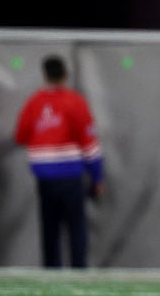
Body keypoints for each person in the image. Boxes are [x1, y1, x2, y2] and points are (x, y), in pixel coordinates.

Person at [14, 55, 105, 268]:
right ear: (65, 75)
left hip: (44, 176)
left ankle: (51, 272)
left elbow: (20, 136)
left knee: (49, 229)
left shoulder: (35, 102)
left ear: (45, 75)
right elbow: (89, 142)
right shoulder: (74, 102)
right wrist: (97, 177)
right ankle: (78, 271)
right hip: (70, 174)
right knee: (76, 227)